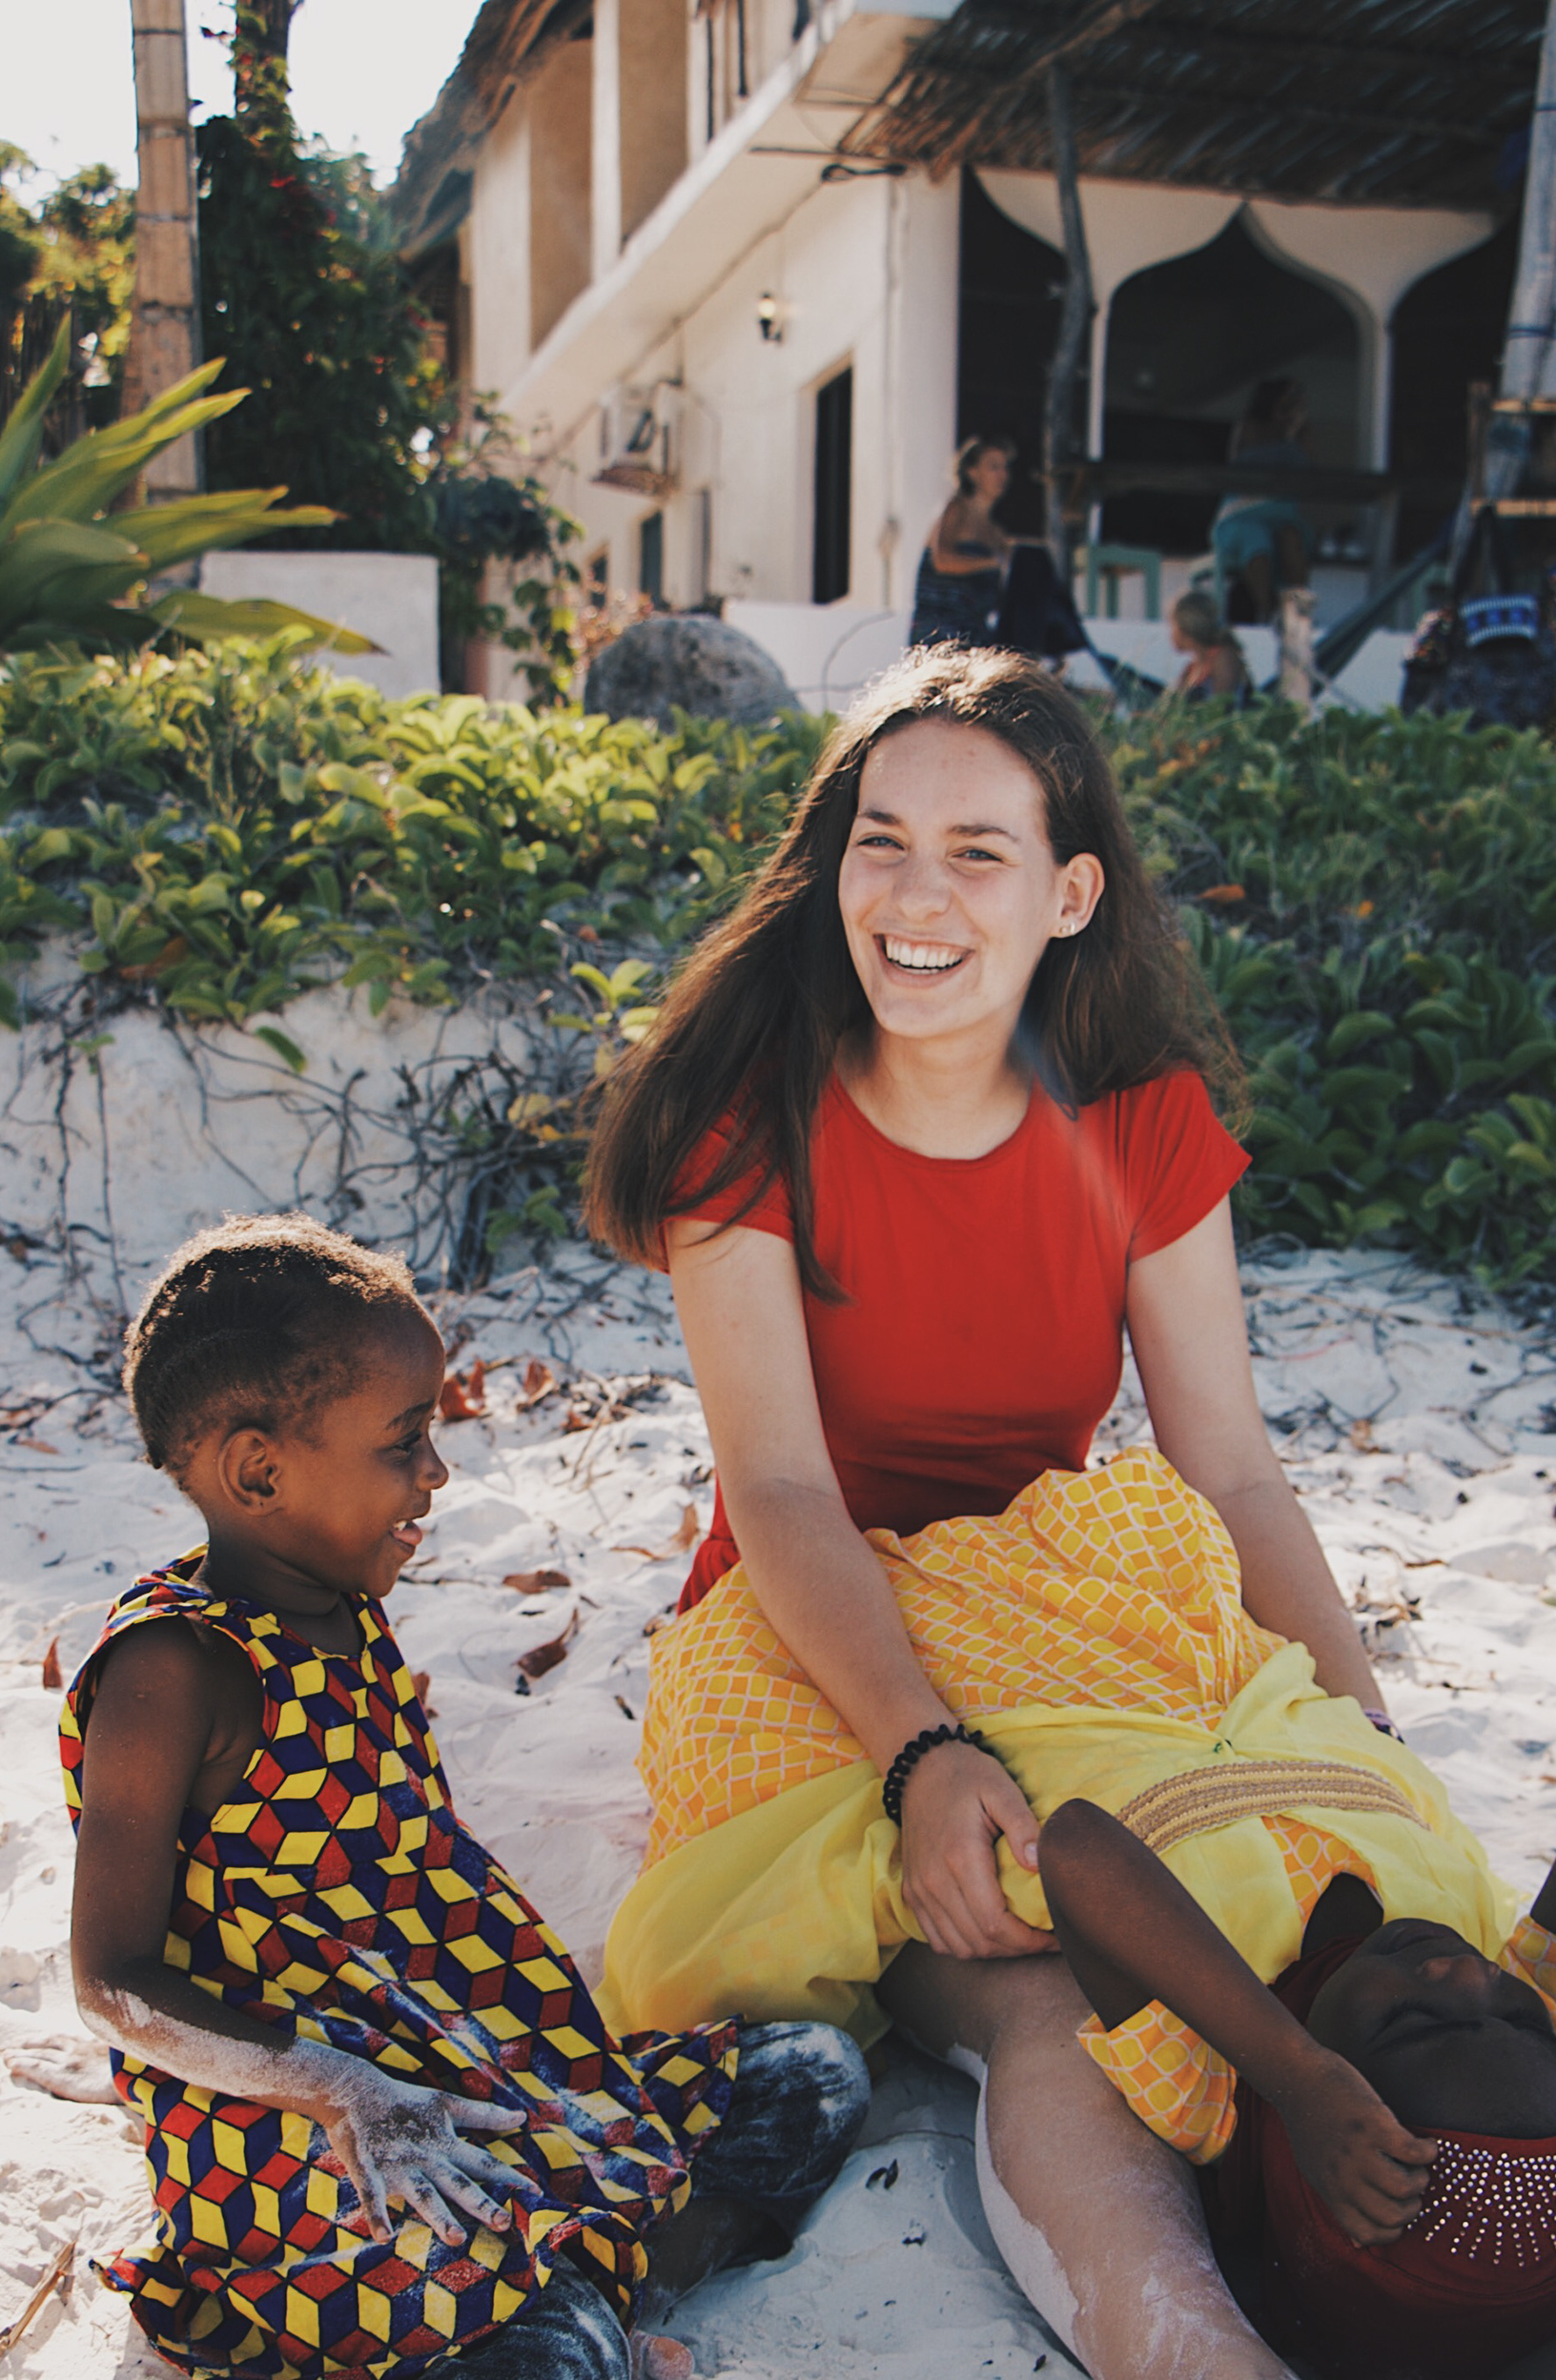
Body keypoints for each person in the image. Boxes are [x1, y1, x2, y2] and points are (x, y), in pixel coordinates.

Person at [581, 643, 1404, 2380]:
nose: (916, 893)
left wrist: (1358, 1724)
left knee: (1343, 1907)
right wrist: (923, 1753)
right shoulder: (753, 1121)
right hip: (820, 1646)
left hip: (1067, 1598)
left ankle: (1555, 2304)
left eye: (979, 849)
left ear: (1070, 889)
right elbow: (781, 1487)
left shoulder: (1144, 1122)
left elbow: (1230, 1468)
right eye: (880, 840)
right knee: (1053, 1980)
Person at [65, 1214, 869, 2380]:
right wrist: (347, 2088)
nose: (437, 1473)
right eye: (405, 1442)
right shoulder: (171, 1670)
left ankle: (593, 2271)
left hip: (466, 2063)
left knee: (809, 2076)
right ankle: (571, 2301)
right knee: (551, 2355)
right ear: (259, 1470)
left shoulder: (342, 1602)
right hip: (304, 2123)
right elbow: (109, 1982)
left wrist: (452, 2077)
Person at [1038, 1747, 1556, 2379]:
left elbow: (1076, 1843)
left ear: (1309, 2143)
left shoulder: (1215, 2089)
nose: (1466, 1970)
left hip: (1099, 1716)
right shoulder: (1518, 2072)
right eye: (1521, 2017)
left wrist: (1297, 2077)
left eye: (1409, 2021)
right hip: (1303, 1715)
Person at [1214, 377, 1313, 624]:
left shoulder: (1300, 433)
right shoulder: (1250, 428)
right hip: (1241, 515)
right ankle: (1265, 613)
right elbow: (1245, 463)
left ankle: (1298, 614)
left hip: (1281, 516)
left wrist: (1296, 432)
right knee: (1255, 538)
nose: (1292, 406)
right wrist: (1283, 431)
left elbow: (1307, 469)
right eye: (1288, 400)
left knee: (1291, 537)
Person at [909, 434, 1016, 647]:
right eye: (993, 467)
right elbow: (942, 561)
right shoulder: (956, 509)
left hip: (976, 637)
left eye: (1005, 467)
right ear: (972, 472)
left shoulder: (996, 533)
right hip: (938, 634)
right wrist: (991, 562)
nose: (1002, 474)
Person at [1170, 587, 1250, 703]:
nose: (1170, 633)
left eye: (1172, 625)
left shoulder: (1223, 657)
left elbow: (1221, 708)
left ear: (1185, 628)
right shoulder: (1189, 670)